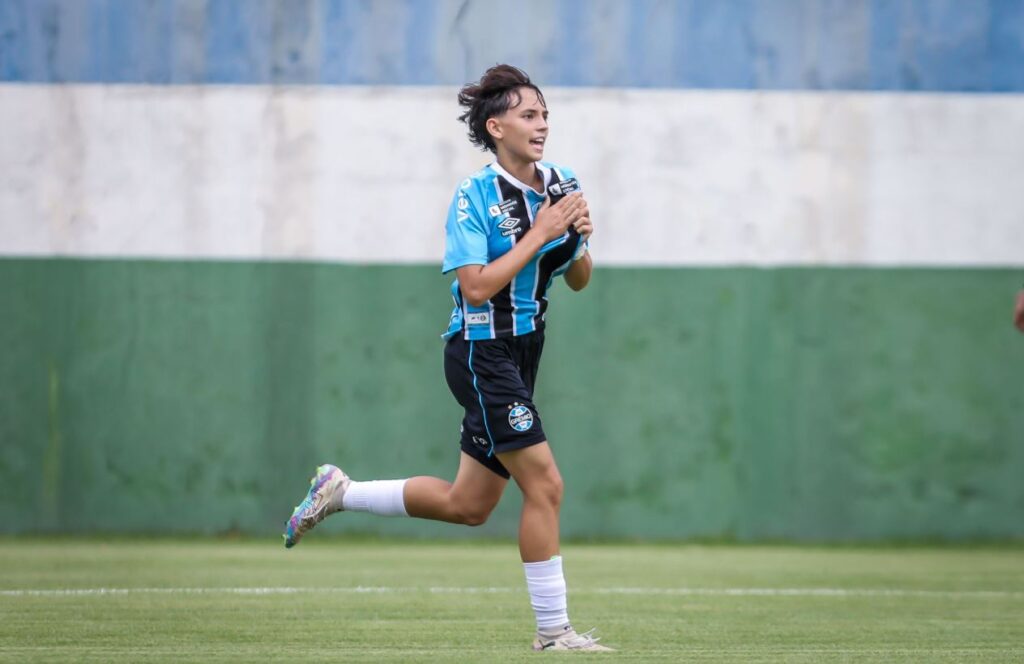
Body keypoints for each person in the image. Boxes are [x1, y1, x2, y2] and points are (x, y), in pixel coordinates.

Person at [283, 64, 611, 653]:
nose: (542, 125)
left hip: (526, 350)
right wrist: (540, 233)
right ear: (496, 127)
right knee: (546, 486)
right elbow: (476, 287)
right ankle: (553, 632)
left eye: (545, 114)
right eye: (528, 115)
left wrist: (581, 240)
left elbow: (578, 279)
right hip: (482, 351)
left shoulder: (562, 182)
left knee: (469, 505)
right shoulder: (474, 195)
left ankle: (340, 491)